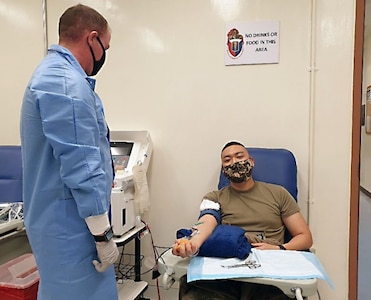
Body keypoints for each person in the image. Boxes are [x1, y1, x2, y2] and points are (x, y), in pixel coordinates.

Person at [20, 4, 119, 300]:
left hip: (63, 221)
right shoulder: (65, 85)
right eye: (106, 46)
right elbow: (83, 165)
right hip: (71, 228)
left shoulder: (56, 77)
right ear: (92, 39)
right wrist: (103, 235)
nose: (104, 55)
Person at [172, 141, 313, 300]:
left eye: (239, 156)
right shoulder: (215, 197)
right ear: (223, 169)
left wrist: (280, 248)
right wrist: (193, 243)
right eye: (227, 160)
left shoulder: (278, 194)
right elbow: (206, 221)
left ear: (251, 162)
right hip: (228, 268)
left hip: (267, 269)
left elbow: (305, 237)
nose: (234, 162)